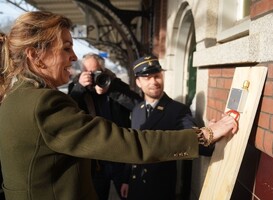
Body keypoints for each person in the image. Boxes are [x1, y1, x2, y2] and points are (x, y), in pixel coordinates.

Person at [0, 11, 237, 200]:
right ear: (35, 55)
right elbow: (127, 142)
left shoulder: (15, 98)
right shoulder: (43, 102)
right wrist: (203, 135)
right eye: (66, 48)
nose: (73, 56)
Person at [68, 53, 142, 200]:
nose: (93, 76)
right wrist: (79, 88)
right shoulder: (77, 88)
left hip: (120, 154)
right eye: (88, 72)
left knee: (129, 195)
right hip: (95, 159)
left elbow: (138, 106)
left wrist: (111, 90)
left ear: (103, 70)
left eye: (96, 72)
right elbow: (68, 112)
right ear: (83, 72)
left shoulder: (115, 84)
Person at [127, 55, 200, 200]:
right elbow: (131, 146)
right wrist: (125, 180)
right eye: (147, 78)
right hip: (135, 185)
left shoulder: (177, 110)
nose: (154, 82)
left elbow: (195, 139)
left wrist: (209, 133)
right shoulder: (137, 110)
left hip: (159, 189)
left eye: (157, 76)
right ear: (138, 82)